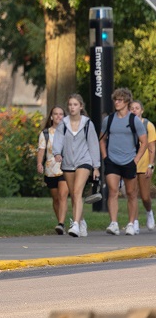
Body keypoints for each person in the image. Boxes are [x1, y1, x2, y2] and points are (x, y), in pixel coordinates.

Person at [99, 87, 148, 235]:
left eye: (119, 100)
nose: (116, 102)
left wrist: (136, 159)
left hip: (129, 161)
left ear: (126, 101)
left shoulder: (134, 120)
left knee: (131, 193)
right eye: (115, 100)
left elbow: (144, 142)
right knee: (113, 191)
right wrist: (105, 157)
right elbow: (101, 139)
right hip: (112, 160)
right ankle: (113, 223)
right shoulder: (109, 120)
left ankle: (131, 224)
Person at [50, 93, 100, 238]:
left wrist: (96, 166)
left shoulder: (87, 124)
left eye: (75, 105)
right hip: (67, 163)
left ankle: (76, 225)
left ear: (81, 107)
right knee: (74, 195)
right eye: (70, 105)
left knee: (77, 191)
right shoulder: (63, 124)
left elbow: (93, 144)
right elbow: (58, 141)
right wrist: (57, 153)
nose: (72, 107)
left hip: (84, 160)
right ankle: (82, 221)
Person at [36, 106, 69, 234]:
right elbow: (41, 150)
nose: (58, 116)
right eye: (56, 114)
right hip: (50, 169)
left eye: (61, 114)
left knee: (62, 195)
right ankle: (61, 222)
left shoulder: (69, 132)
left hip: (66, 168)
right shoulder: (45, 133)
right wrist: (39, 163)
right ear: (51, 116)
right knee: (55, 198)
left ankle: (60, 223)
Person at [129, 99, 156, 230]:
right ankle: (134, 222)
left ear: (142, 110)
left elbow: (151, 146)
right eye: (132, 108)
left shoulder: (148, 125)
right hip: (130, 164)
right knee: (132, 194)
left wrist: (151, 165)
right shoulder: (127, 125)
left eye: (137, 108)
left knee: (145, 196)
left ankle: (149, 212)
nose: (134, 110)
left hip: (144, 164)